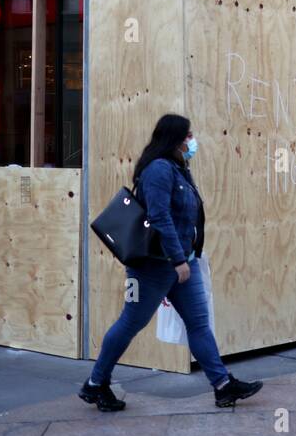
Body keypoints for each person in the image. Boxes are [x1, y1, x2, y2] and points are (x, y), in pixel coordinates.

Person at [80, 114, 262, 411]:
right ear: (175, 139)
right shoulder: (158, 171)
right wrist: (178, 259)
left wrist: (186, 258)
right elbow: (159, 216)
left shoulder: (178, 168)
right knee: (131, 322)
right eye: (188, 136)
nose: (192, 141)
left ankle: (223, 386)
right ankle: (96, 384)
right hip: (154, 266)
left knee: (198, 324)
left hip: (181, 264)